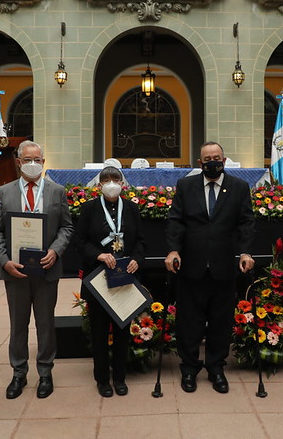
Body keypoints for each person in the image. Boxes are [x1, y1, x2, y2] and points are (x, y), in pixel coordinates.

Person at [165, 141, 255, 394]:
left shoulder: (238, 187)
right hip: (191, 266)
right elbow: (176, 220)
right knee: (189, 321)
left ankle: (216, 367)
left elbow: (246, 222)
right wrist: (173, 249)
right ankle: (189, 368)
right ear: (200, 162)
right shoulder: (186, 185)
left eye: (217, 157)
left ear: (224, 161)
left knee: (220, 321)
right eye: (207, 159)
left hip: (224, 266)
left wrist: (246, 251)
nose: (212, 162)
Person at [0, 140, 74, 399]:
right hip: (15, 271)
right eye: (28, 160)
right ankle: (19, 372)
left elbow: (66, 227)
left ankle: (45, 372)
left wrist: (55, 251)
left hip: (46, 269)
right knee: (18, 323)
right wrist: (4, 261)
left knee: (45, 323)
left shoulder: (56, 191)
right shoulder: (4, 193)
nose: (33, 164)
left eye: (38, 160)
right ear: (18, 162)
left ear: (44, 162)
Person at [73, 166, 146, 397]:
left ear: (122, 184)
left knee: (123, 329)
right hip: (99, 278)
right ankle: (102, 378)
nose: (111, 183)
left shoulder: (132, 209)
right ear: (99, 185)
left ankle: (120, 377)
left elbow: (142, 241)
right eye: (107, 179)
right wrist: (99, 254)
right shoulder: (89, 209)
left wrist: (136, 259)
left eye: (116, 179)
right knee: (99, 331)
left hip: (125, 277)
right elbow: (80, 241)